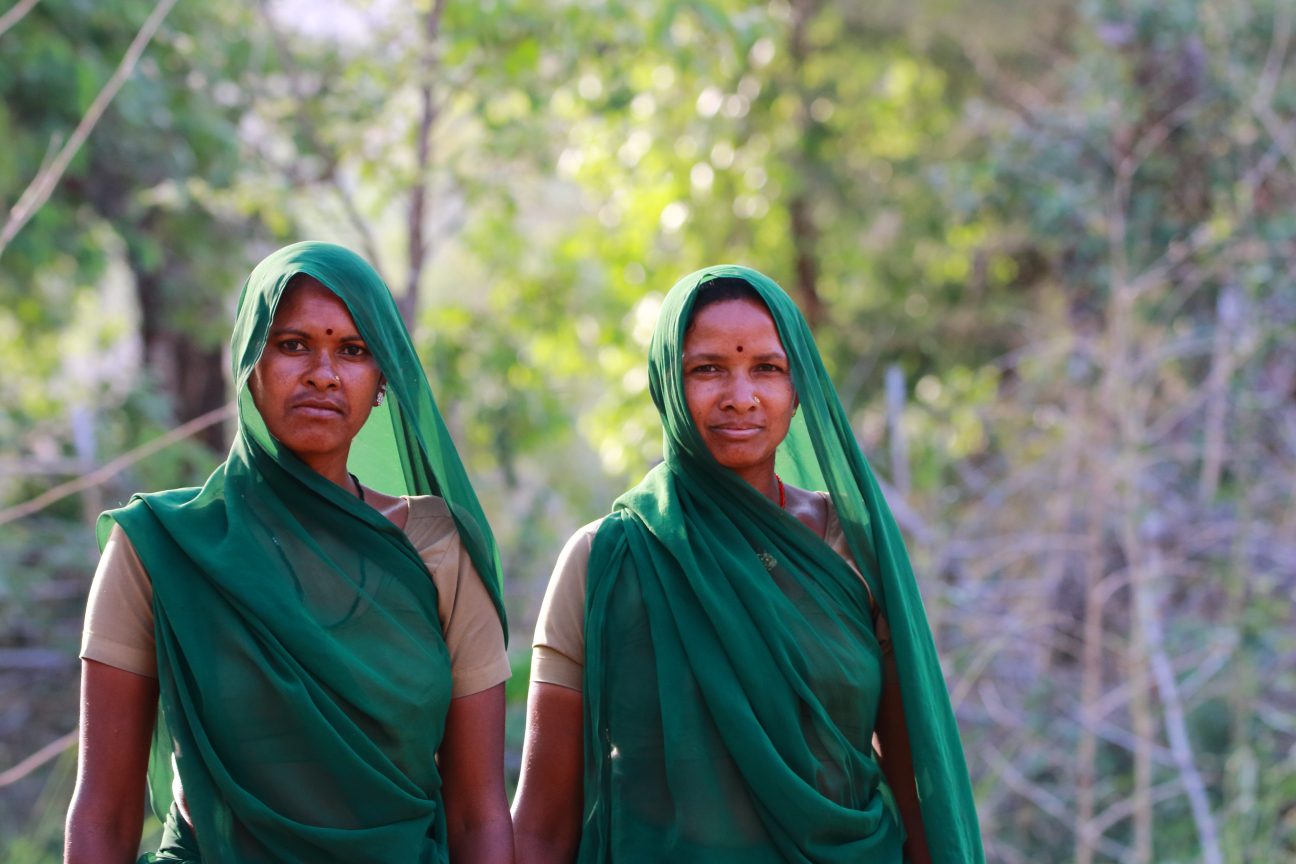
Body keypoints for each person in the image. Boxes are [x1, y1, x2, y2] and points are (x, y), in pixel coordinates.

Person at [512, 266, 983, 863]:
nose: (741, 396)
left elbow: (921, 787)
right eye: (707, 369)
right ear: (667, 384)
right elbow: (540, 827)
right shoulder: (605, 559)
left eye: (767, 368)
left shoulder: (850, 550)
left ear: (797, 387)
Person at [65, 242, 514, 863]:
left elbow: (478, 815)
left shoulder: (437, 550)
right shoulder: (159, 549)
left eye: (353, 351)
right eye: (293, 344)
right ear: (250, 361)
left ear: (383, 381)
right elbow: (103, 814)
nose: (323, 373)